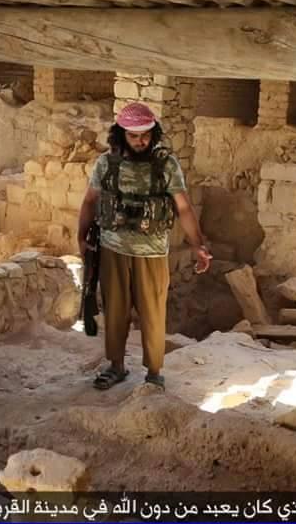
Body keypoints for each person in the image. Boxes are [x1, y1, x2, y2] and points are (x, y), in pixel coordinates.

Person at [77, 103, 212, 391]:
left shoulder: (166, 165)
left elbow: (184, 208)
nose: (141, 141)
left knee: (152, 313)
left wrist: (198, 245)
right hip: (113, 249)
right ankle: (116, 366)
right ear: (121, 134)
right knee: (115, 311)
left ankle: (154, 372)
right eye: (134, 136)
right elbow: (90, 201)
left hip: (152, 253)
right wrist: (81, 237)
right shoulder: (106, 164)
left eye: (146, 135)